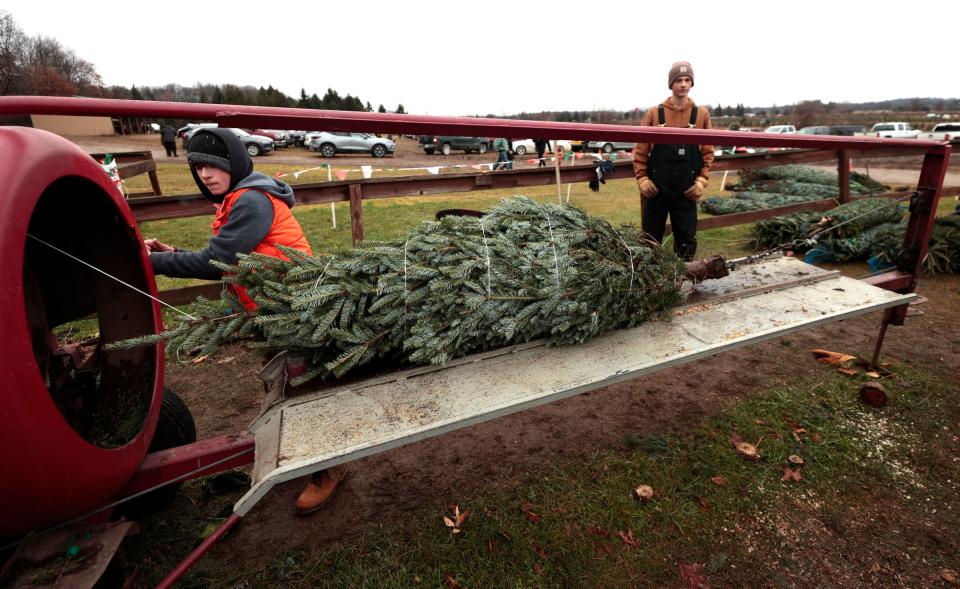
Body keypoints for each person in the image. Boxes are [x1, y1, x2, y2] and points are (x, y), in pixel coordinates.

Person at [145, 128, 347, 514]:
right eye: (198, 166)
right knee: (284, 385)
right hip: (272, 309)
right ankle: (299, 457)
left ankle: (333, 468)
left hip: (293, 308)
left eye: (213, 165)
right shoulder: (241, 198)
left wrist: (154, 262)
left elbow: (214, 261)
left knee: (304, 388)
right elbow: (227, 255)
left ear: (234, 163)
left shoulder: (252, 200)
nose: (205, 174)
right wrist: (175, 253)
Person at [632, 61, 714, 261]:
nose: (683, 84)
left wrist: (701, 181)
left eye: (687, 80)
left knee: (686, 242)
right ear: (671, 84)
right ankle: (652, 286)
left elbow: (708, 153)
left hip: (686, 191)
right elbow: (640, 151)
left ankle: (685, 284)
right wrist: (642, 179)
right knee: (650, 242)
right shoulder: (654, 113)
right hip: (656, 189)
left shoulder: (701, 114)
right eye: (678, 80)